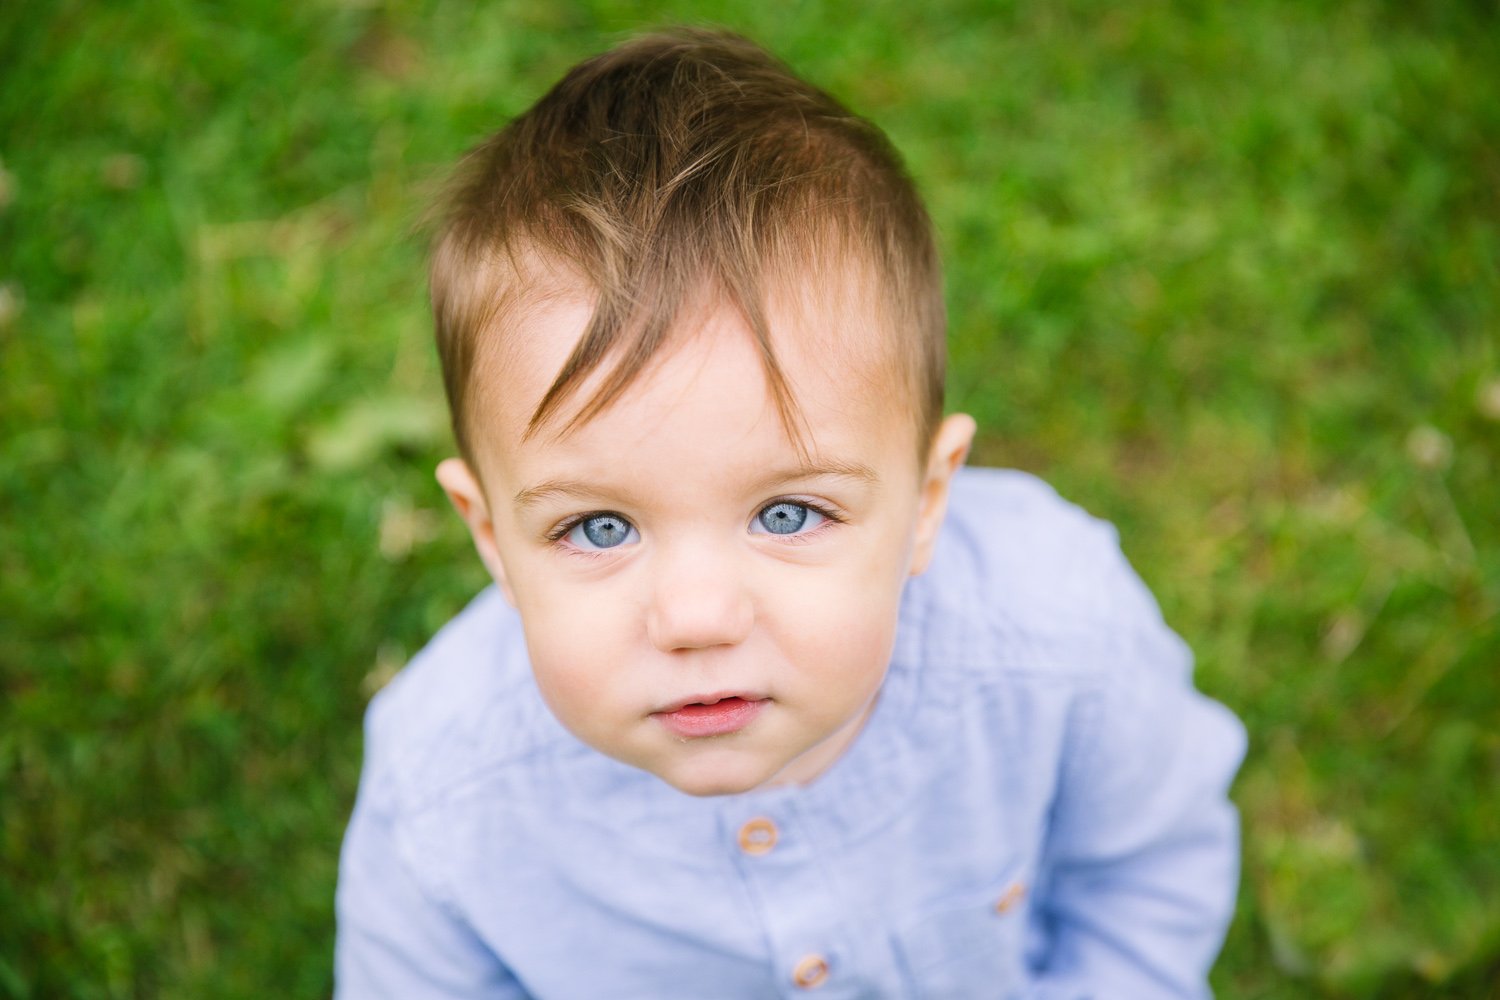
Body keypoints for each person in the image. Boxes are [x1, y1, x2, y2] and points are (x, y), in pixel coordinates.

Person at [334, 27, 1245, 999]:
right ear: (492, 539)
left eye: (789, 513)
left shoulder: (1057, 631)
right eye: (599, 527)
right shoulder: (444, 792)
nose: (696, 617)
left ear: (927, 501)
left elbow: (1148, 872)